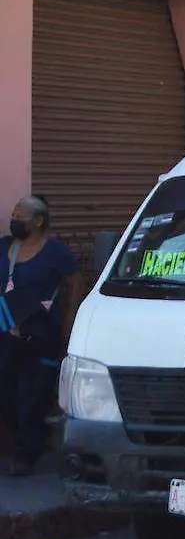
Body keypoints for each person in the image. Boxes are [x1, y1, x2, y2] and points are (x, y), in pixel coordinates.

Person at [0, 195, 81, 476]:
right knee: (7, 395)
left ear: (38, 220)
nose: (14, 219)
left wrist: (69, 322)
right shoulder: (5, 247)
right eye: (13, 213)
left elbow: (75, 282)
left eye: (19, 214)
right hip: (7, 334)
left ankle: (26, 454)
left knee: (33, 396)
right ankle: (38, 434)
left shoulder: (55, 252)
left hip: (41, 335)